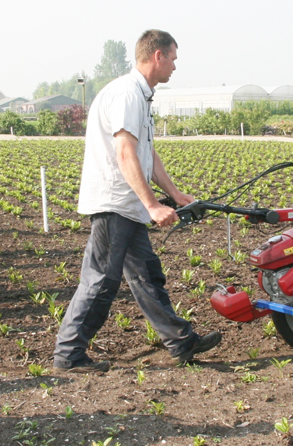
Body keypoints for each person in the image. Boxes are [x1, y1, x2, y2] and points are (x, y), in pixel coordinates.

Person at [53, 30, 221, 373]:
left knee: (146, 275)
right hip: (116, 205)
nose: (175, 66)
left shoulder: (140, 97)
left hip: (127, 207)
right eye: (173, 58)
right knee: (100, 281)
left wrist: (173, 194)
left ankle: (181, 341)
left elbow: (146, 152)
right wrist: (152, 205)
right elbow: (125, 153)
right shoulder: (128, 95)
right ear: (157, 56)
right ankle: (68, 355)